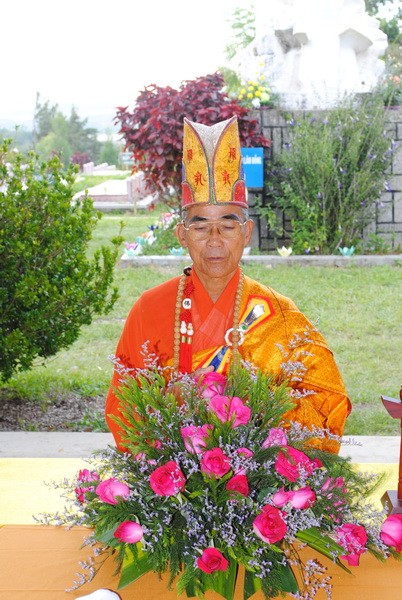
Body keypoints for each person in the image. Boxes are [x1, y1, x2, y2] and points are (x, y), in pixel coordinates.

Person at [105, 115, 351, 453]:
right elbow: (121, 406)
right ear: (182, 236)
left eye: (228, 225)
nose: (215, 240)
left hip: (259, 475)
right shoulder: (150, 308)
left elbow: (325, 400)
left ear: (247, 233)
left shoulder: (279, 314)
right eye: (200, 226)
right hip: (171, 475)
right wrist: (172, 400)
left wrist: (254, 407)